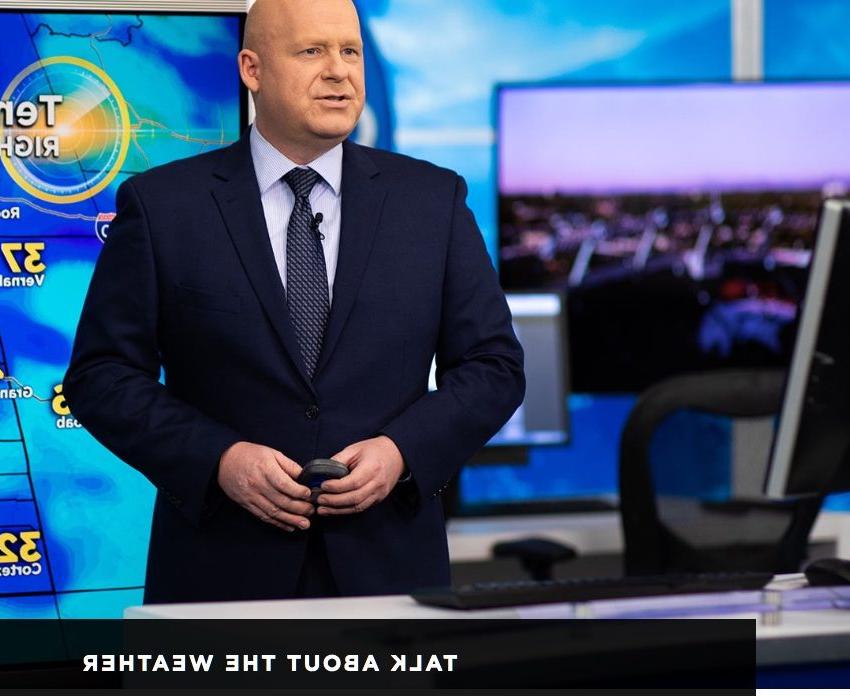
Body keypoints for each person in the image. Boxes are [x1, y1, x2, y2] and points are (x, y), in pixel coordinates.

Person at [64, 0, 523, 604]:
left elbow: (494, 367)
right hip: (220, 575)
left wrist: (401, 452)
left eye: (350, 51)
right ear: (252, 69)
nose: (339, 71)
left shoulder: (432, 201)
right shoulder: (163, 207)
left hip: (390, 575)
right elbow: (102, 377)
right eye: (312, 51)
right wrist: (219, 459)